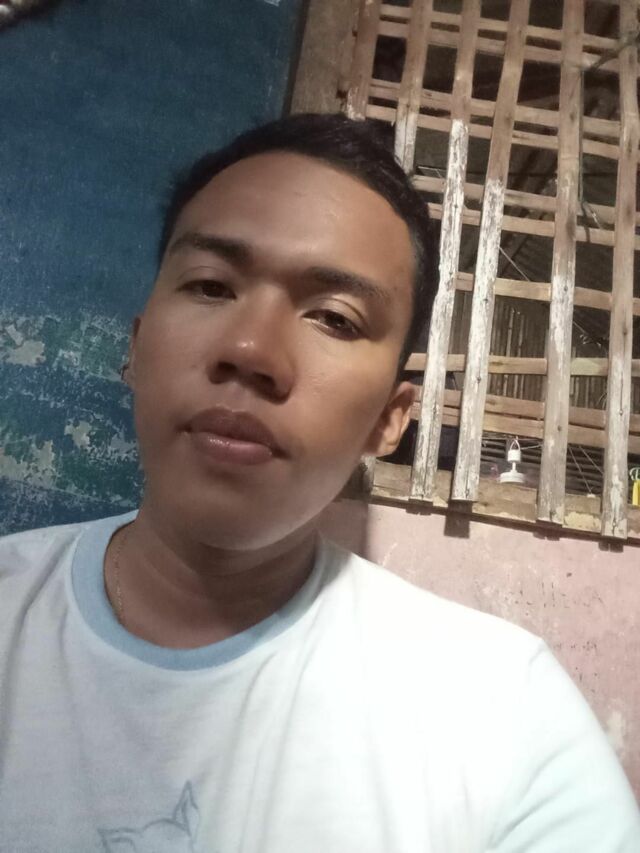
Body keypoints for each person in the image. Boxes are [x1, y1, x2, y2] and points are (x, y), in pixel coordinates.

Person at [0, 113, 638, 853]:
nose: (250, 349)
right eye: (210, 285)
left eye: (334, 318)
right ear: (137, 348)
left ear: (390, 420)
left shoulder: (503, 717)